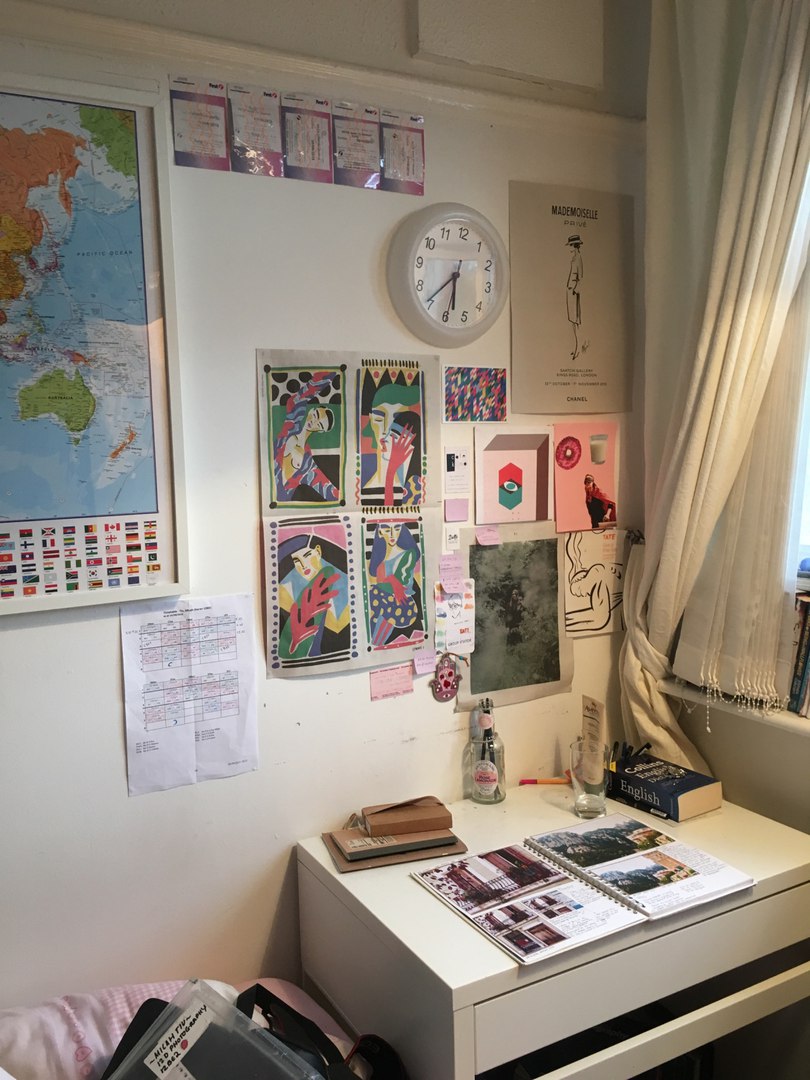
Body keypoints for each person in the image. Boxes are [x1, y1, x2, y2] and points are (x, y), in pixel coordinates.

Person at [278, 534, 349, 661]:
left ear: (318, 551)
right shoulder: (287, 594)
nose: (303, 565)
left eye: (307, 556)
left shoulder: (343, 584)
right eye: (296, 561)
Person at [272, 374, 340, 504]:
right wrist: (331, 376)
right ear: (311, 410)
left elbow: (328, 490)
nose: (314, 422)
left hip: (280, 501)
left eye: (319, 425)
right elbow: (297, 400)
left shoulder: (307, 464)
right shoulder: (292, 424)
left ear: (320, 431)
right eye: (316, 415)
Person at [360, 383, 422, 506]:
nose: (386, 430)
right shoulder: (362, 489)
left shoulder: (413, 485)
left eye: (397, 420)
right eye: (379, 419)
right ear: (371, 420)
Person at [366, 521, 422, 647]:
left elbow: (405, 585)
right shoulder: (380, 561)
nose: (392, 534)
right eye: (386, 530)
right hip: (383, 607)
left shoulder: (408, 554)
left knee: (377, 640)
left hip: (401, 607)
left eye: (396, 528)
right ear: (380, 532)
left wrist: (391, 581)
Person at [566, 234, 584, 360]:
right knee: (573, 321)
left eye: (570, 245)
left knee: (576, 322)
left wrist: (575, 290)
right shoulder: (574, 258)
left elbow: (580, 277)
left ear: (574, 245)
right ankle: (576, 347)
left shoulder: (578, 259)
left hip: (574, 293)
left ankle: (578, 349)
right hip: (570, 291)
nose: (569, 248)